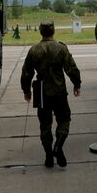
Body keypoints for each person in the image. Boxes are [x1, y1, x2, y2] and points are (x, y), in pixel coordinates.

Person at [21, 21, 81, 168]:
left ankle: (48, 155)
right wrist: (77, 83)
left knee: (44, 124)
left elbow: (26, 73)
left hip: (41, 91)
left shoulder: (34, 50)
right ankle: (58, 146)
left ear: (40, 32)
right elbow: (71, 68)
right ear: (53, 31)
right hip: (59, 90)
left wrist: (27, 90)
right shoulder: (61, 48)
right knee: (64, 119)